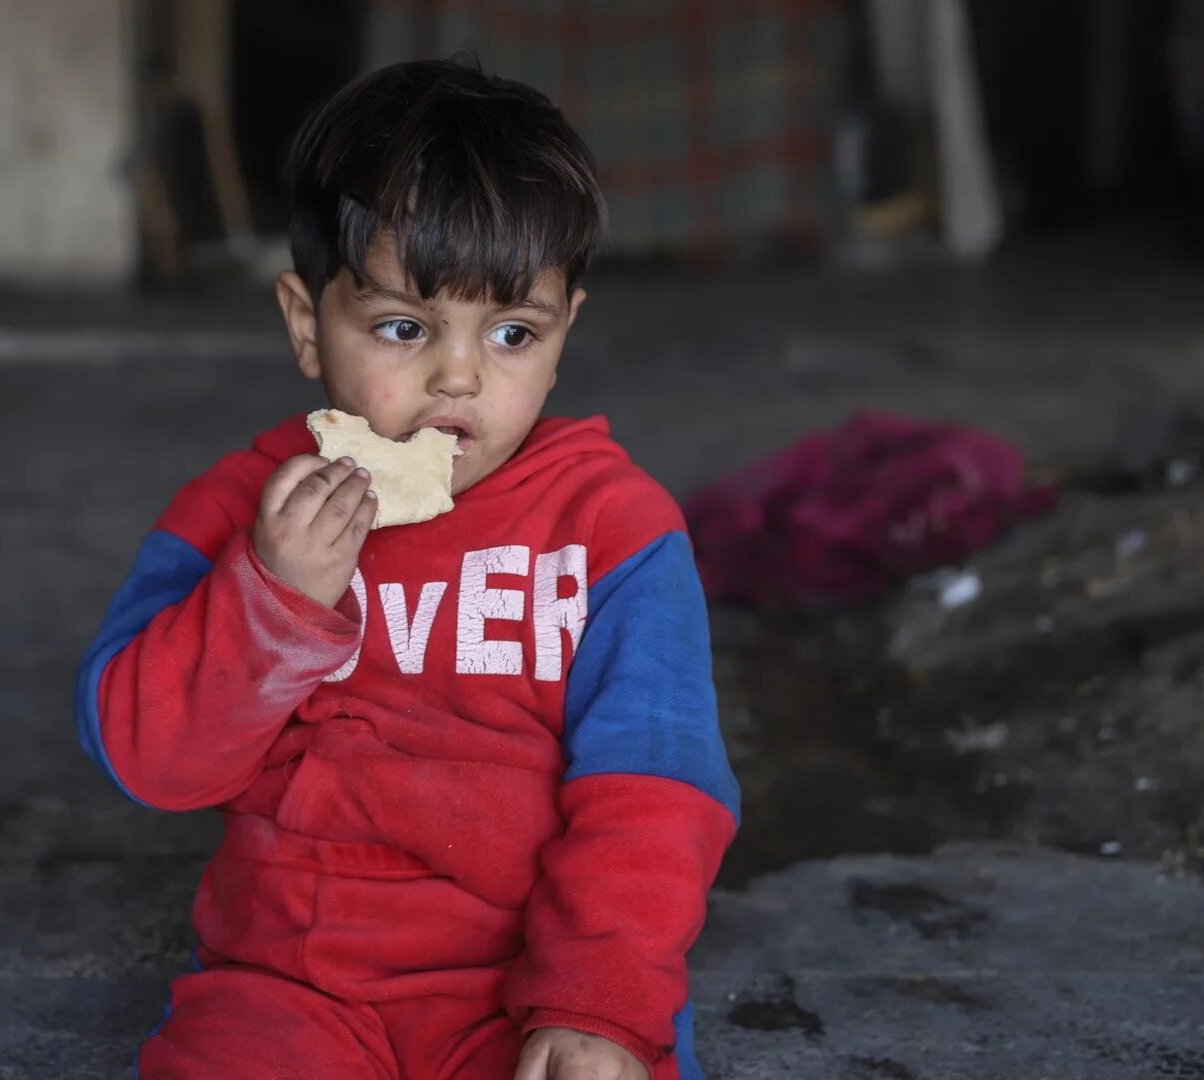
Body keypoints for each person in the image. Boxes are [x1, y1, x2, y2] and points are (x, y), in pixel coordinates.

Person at [76, 57, 738, 1080]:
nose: (460, 376)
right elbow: (143, 757)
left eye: (514, 332)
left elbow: (654, 792)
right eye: (403, 326)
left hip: (532, 994)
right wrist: (271, 598)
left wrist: (600, 1005)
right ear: (308, 324)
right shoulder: (239, 512)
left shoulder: (614, 531)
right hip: (290, 988)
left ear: (566, 336)